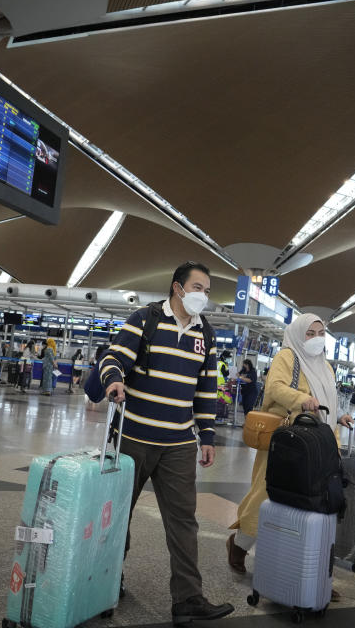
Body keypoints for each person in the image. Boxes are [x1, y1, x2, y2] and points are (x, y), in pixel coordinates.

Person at [101, 262, 234, 623]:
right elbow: (113, 356)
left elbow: (206, 388)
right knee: (117, 517)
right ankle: (105, 581)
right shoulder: (145, 319)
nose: (203, 295)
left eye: (207, 290)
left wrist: (206, 435)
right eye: (198, 287)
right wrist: (113, 379)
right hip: (134, 437)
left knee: (183, 521)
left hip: (178, 443)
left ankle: (188, 599)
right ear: (177, 288)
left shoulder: (205, 332)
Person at [227, 314, 353, 592]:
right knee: (266, 494)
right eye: (310, 333)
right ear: (298, 334)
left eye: (321, 332)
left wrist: (339, 419)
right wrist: (302, 400)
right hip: (286, 440)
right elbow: (274, 388)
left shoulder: (326, 367)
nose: (317, 338)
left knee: (308, 503)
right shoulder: (287, 356)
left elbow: (327, 399)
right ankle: (239, 545)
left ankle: (306, 570)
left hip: (316, 445)